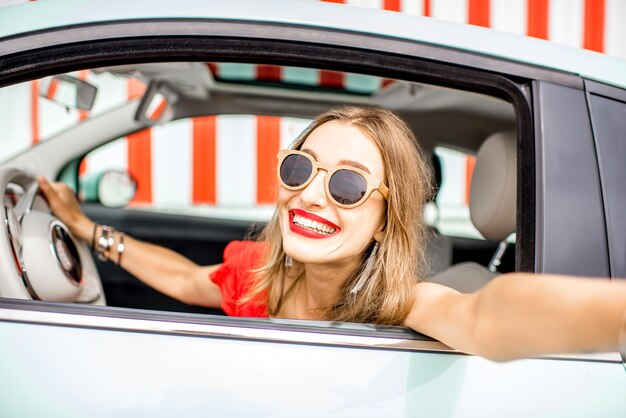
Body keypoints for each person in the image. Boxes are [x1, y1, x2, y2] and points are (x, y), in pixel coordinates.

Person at [38, 105, 626, 362]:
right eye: (300, 167)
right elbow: (191, 280)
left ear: (384, 218)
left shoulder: (396, 305)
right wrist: (89, 229)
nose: (311, 193)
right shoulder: (261, 272)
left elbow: (486, 317)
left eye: (347, 185)